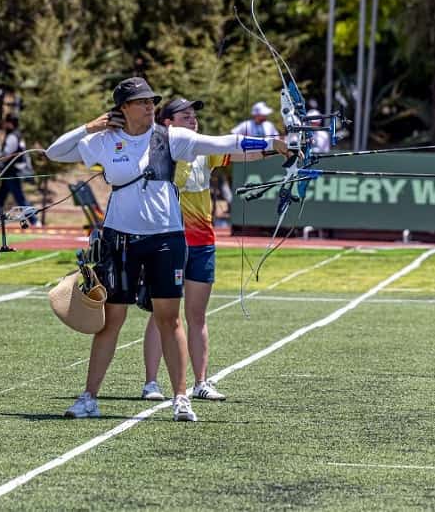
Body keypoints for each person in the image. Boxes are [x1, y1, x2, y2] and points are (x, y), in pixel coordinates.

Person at [45, 78, 290, 421]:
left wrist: (272, 144)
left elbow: (221, 142)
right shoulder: (104, 140)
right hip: (120, 240)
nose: (150, 107)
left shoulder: (171, 137)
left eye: (151, 102)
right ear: (123, 109)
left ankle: (180, 398)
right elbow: (54, 152)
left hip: (165, 239)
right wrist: (89, 126)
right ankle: (88, 397)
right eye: (142, 102)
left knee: (169, 319)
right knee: (111, 320)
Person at [142, 97, 276, 404]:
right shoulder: (156, 150)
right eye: (185, 115)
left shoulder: (204, 150)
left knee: (197, 315)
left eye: (194, 116)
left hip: (202, 241)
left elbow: (240, 153)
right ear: (168, 122)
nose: (193, 119)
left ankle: (200, 382)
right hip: (168, 239)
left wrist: (277, 149)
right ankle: (151, 382)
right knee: (161, 314)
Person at [0, 114, 37, 224]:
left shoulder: (13, 136)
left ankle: (34, 220)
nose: (4, 125)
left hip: (12, 172)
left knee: (20, 199)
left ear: (10, 123)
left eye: (6, 122)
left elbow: (7, 154)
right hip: (10, 172)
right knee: (0, 198)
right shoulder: (19, 135)